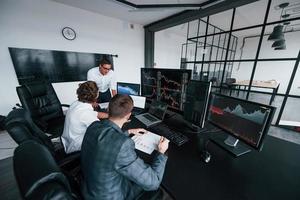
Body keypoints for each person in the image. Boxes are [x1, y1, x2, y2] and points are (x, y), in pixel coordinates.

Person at [81, 94, 169, 200]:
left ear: (108, 109)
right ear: (128, 115)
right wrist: (161, 152)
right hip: (110, 196)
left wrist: (128, 132)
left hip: (89, 188)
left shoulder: (93, 126)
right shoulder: (123, 145)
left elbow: (106, 139)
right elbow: (153, 182)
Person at [61, 81, 108, 154]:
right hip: (76, 147)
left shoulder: (76, 103)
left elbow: (94, 114)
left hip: (68, 140)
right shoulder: (86, 114)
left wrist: (110, 115)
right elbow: (103, 134)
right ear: (96, 96)